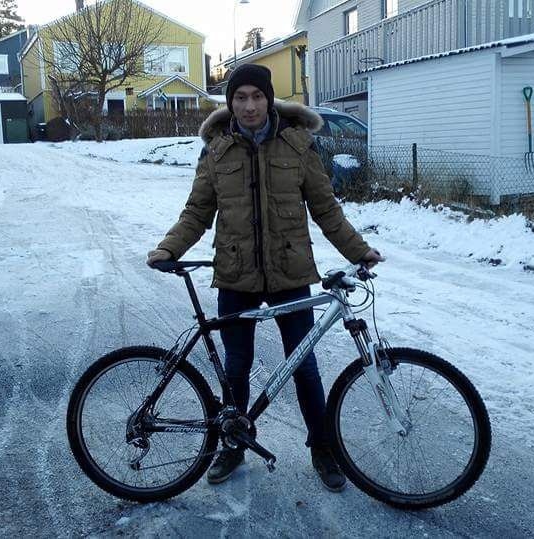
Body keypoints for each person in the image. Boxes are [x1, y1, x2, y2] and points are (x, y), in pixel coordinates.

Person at [147, 64, 383, 492]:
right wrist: (169, 248)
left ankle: (321, 447)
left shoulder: (298, 145)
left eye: (257, 96)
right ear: (230, 103)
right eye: (240, 97)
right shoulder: (217, 150)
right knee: (236, 366)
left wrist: (358, 250)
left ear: (269, 100)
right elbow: (197, 212)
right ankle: (233, 444)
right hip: (235, 276)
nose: (249, 105)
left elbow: (325, 208)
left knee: (304, 367)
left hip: (291, 274)